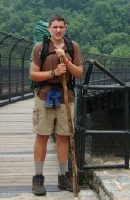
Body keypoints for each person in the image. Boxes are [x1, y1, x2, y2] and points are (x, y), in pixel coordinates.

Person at [29, 14, 84, 196]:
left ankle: (63, 176)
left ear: (65, 28)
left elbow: (78, 74)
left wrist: (66, 62)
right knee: (42, 135)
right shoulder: (40, 48)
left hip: (65, 97)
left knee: (63, 137)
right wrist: (53, 72)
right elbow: (33, 75)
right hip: (44, 95)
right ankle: (38, 177)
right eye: (55, 27)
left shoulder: (72, 47)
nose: (58, 30)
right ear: (49, 29)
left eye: (61, 27)